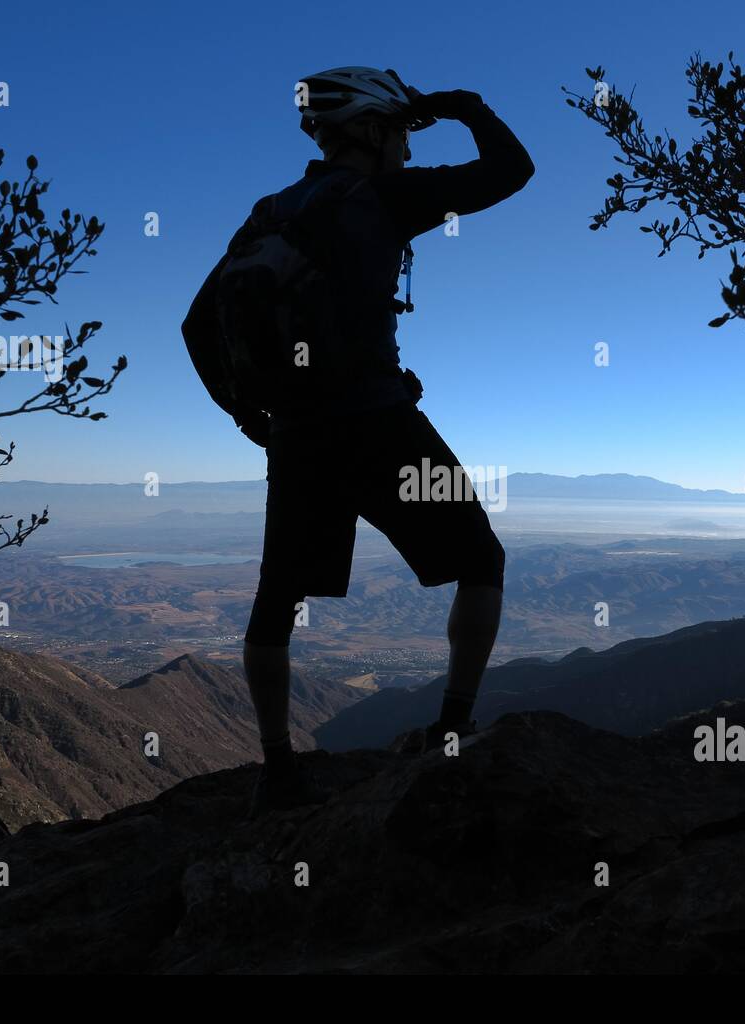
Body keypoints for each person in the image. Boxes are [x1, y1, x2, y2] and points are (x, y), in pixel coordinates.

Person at [237, 66, 534, 814]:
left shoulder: (267, 212)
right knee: (480, 557)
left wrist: (252, 419)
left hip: (297, 438)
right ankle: (453, 727)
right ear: (371, 130)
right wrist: (468, 106)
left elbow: (197, 326)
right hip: (378, 421)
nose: (407, 145)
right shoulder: (380, 195)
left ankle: (276, 769)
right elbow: (512, 170)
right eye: (400, 130)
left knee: (277, 602)